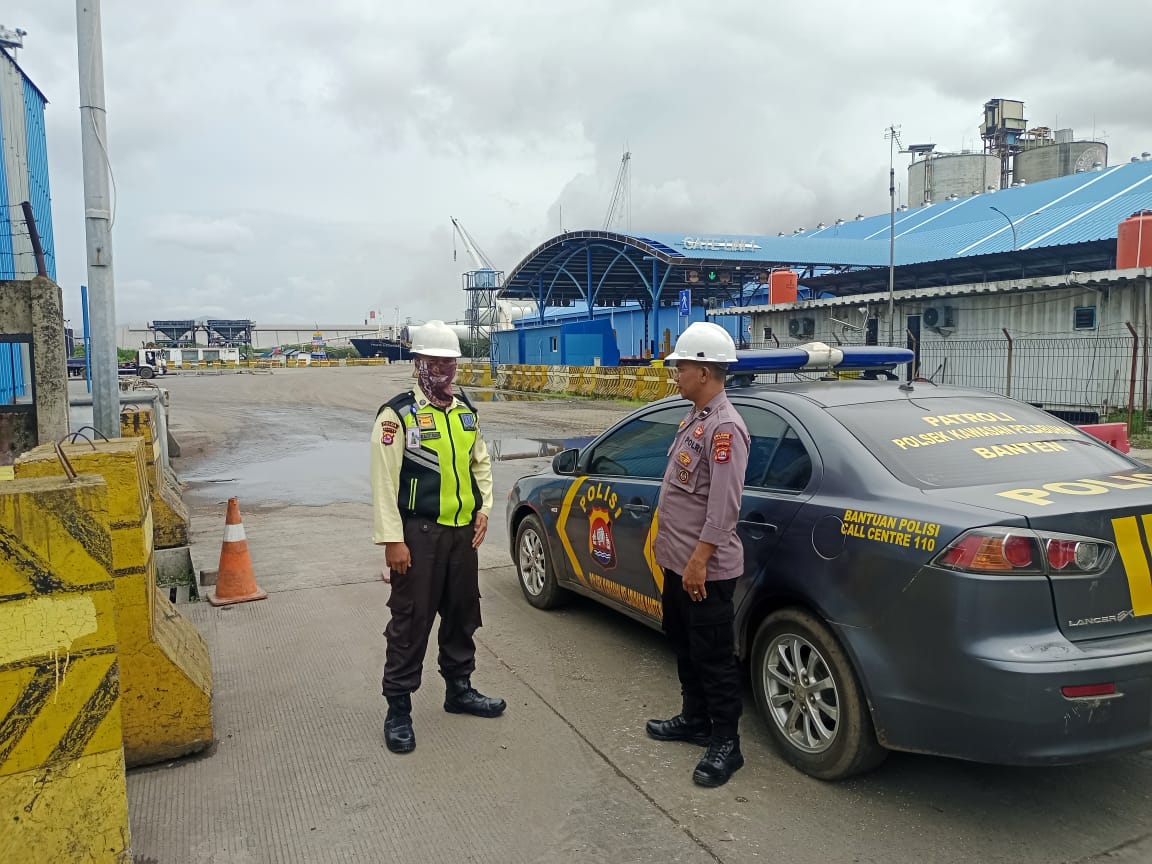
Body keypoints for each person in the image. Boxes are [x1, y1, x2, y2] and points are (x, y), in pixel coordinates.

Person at [370, 320, 505, 754]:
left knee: (463, 613)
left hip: (462, 535)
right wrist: (393, 540)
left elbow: (480, 462)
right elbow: (384, 481)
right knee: (411, 621)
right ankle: (398, 708)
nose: (444, 370)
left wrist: (483, 509)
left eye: (450, 362)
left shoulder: (465, 411)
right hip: (419, 535)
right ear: (418, 363)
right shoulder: (398, 415)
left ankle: (459, 689)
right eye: (436, 362)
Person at [646, 321, 750, 787]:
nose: (676, 375)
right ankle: (694, 719)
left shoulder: (725, 428)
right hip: (679, 562)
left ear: (705, 372)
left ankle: (726, 743)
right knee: (684, 644)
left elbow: (724, 507)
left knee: (713, 657)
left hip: (703, 569)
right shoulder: (696, 417)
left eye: (682, 367)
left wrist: (699, 560)